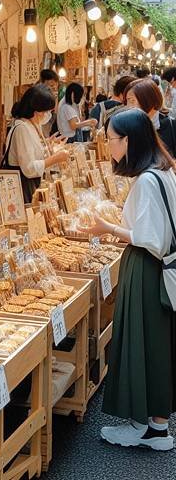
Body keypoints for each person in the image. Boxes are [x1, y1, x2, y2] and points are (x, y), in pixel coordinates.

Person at [79, 109, 176, 451]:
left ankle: (147, 428)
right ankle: (153, 424)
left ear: (129, 140)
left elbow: (150, 238)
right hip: (157, 269)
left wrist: (109, 229)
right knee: (156, 345)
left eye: (112, 139)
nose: (108, 146)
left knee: (141, 342)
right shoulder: (162, 172)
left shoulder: (148, 180)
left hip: (147, 268)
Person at [0, 85, 69, 203]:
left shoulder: (33, 124)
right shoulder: (22, 128)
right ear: (36, 111)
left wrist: (47, 143)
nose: (49, 114)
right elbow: (29, 168)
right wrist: (56, 158)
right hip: (21, 189)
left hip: (29, 186)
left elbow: (31, 149)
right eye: (47, 111)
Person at [125, 78, 176, 157]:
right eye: (127, 101)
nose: (128, 106)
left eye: (132, 101)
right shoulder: (126, 126)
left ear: (149, 100)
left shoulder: (171, 125)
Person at [38, 69, 59, 137]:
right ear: (42, 83)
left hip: (47, 126)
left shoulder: (53, 95)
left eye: (55, 86)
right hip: (39, 130)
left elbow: (54, 114)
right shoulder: (37, 96)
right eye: (51, 85)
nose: (53, 88)